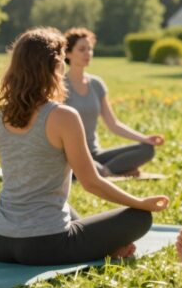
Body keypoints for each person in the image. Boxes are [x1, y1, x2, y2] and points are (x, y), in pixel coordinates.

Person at [0, 28, 169, 265]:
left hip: (0, 242)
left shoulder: (2, 115)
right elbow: (91, 183)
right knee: (140, 219)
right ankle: (102, 249)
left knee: (60, 202)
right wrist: (139, 203)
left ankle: (95, 246)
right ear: (55, 66)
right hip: (44, 245)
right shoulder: (63, 116)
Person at [63, 27, 165, 177]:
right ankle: (108, 172)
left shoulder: (97, 84)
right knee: (86, 167)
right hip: (72, 156)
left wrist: (144, 138)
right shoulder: (60, 86)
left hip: (95, 153)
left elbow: (113, 124)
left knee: (147, 149)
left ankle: (105, 172)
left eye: (90, 49)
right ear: (68, 53)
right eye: (82, 49)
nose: (88, 53)